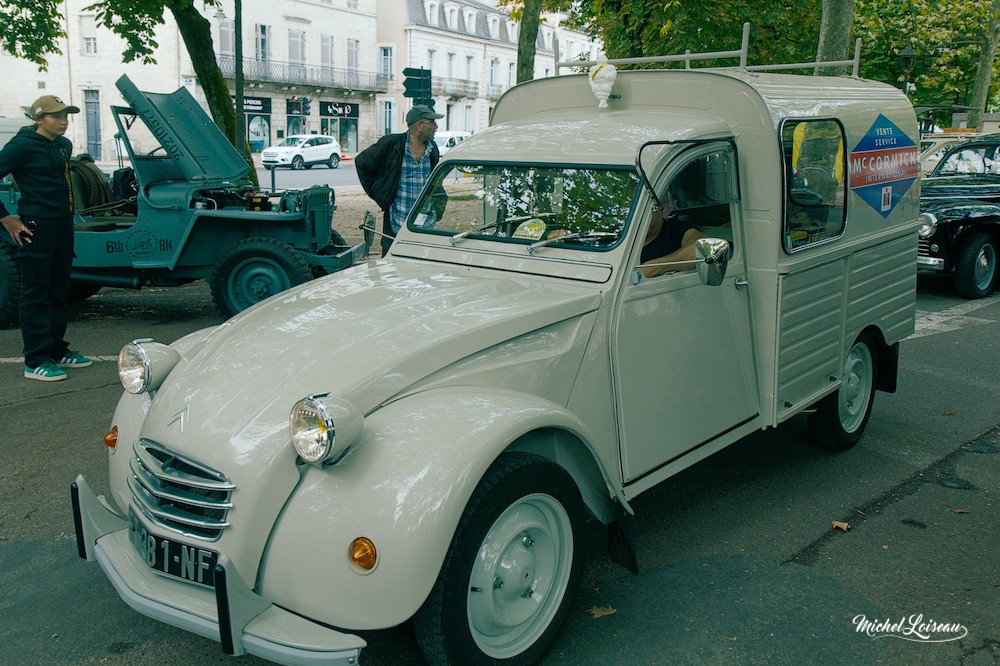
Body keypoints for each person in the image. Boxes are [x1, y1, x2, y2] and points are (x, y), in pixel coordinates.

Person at [0, 95, 92, 382]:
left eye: (66, 115)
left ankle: (56, 349)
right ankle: (36, 360)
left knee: (57, 292)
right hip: (35, 227)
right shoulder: (21, 146)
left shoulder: (62, 146)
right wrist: (7, 217)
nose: (63, 121)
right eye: (56, 116)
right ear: (39, 120)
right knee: (35, 294)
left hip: (62, 226)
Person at [355, 104, 444, 255]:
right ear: (419, 125)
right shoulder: (391, 144)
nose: (436, 127)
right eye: (432, 123)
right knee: (394, 270)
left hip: (425, 224)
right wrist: (379, 194)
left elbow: (436, 182)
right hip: (397, 223)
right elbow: (362, 162)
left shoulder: (432, 149)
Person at [638, 197, 706, 278]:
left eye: (642, 208)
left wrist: (651, 268)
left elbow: (702, 249)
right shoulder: (622, 236)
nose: (635, 215)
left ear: (667, 209)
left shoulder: (677, 230)